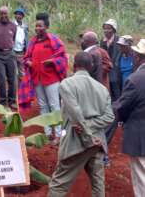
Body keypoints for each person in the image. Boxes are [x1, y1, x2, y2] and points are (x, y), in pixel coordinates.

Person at [48, 52, 114, 197]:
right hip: (98, 143)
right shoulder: (102, 89)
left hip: (76, 142)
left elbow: (76, 114)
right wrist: (91, 129)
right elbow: (110, 117)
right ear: (91, 67)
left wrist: (87, 136)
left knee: (58, 186)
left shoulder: (67, 84)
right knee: (98, 185)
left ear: (74, 66)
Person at [24, 13, 68, 145]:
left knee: (54, 105)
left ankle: (59, 135)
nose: (37, 28)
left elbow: (63, 57)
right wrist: (28, 63)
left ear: (46, 27)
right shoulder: (32, 42)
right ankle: (48, 133)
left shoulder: (54, 40)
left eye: (40, 26)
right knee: (43, 106)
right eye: (36, 25)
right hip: (38, 79)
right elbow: (26, 57)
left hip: (51, 79)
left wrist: (53, 61)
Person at [114, 39, 145, 197]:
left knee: (141, 177)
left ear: (138, 57)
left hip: (140, 136)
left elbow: (122, 107)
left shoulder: (135, 79)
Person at [0, 6, 17, 108]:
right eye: (1, 13)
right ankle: (2, 102)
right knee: (1, 79)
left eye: (5, 13)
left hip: (10, 54)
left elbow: (13, 38)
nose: (3, 15)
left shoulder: (13, 26)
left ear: (8, 14)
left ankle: (12, 101)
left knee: (12, 79)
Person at [100, 19, 121, 101]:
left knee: (115, 88)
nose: (106, 31)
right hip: (106, 68)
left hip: (115, 69)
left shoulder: (118, 40)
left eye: (109, 28)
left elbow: (118, 56)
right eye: (105, 28)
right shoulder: (102, 41)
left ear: (114, 30)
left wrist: (113, 65)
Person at [13, 8, 28, 80]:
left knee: (22, 72)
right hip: (13, 51)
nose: (19, 16)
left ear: (23, 16)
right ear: (15, 15)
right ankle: (14, 90)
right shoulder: (11, 25)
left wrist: (26, 51)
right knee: (14, 72)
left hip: (22, 52)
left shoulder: (25, 27)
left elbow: (26, 39)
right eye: (17, 14)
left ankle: (21, 90)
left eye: (20, 14)